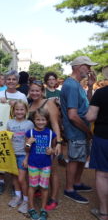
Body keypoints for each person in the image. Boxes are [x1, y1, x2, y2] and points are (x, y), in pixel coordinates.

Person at [60, 56, 97, 204]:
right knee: (75, 159)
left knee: (81, 158)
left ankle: (76, 183)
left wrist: (90, 86)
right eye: (87, 66)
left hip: (81, 129)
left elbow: (87, 104)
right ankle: (69, 189)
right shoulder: (71, 85)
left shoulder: (77, 85)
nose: (89, 69)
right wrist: (88, 132)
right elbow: (73, 115)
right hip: (76, 130)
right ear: (78, 66)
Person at [28, 80, 62, 210]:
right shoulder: (30, 103)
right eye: (32, 90)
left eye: (37, 90)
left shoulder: (49, 103)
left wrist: (58, 142)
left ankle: (53, 198)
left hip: (50, 141)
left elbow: (55, 124)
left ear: (42, 91)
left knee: (52, 170)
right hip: (36, 142)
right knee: (39, 166)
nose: (35, 93)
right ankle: (40, 188)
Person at [0, 70, 27, 194]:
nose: (11, 81)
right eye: (9, 79)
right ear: (5, 80)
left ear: (17, 81)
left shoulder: (22, 96)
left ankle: (16, 185)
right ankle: (1, 181)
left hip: (17, 131)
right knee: (1, 155)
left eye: (14, 79)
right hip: (2, 129)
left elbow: (25, 113)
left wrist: (15, 105)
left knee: (15, 156)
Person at [25, 108, 57, 220]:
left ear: (47, 121)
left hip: (46, 165)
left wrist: (52, 151)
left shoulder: (51, 133)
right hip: (33, 164)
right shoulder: (30, 132)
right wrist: (28, 143)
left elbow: (53, 148)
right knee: (32, 186)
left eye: (43, 120)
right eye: (38, 119)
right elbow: (26, 149)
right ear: (34, 120)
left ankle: (43, 209)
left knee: (44, 187)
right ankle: (31, 208)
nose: (40, 122)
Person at [85, 73, 108, 220]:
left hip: (103, 137)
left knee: (102, 174)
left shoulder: (102, 92)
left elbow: (90, 117)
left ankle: (104, 212)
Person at [7, 100, 34, 214]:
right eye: (17, 109)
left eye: (22, 109)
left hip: (23, 154)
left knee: (21, 178)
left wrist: (27, 157)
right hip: (12, 154)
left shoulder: (29, 124)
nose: (19, 111)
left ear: (26, 111)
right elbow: (7, 139)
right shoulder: (9, 123)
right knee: (14, 176)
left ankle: (26, 200)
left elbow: (30, 143)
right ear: (13, 111)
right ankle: (18, 196)